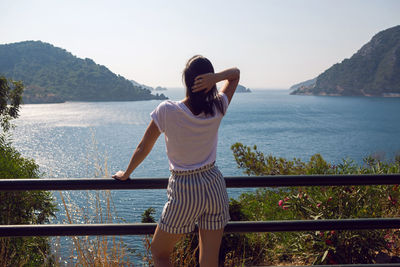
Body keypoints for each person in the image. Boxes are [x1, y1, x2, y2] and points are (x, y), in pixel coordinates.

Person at [112, 55, 240, 267]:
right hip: (215, 185)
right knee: (209, 259)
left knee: (159, 252)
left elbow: (143, 147)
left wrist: (125, 174)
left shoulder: (168, 110)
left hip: (185, 189)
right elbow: (235, 75)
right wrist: (216, 78)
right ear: (209, 82)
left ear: (186, 81)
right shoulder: (218, 107)